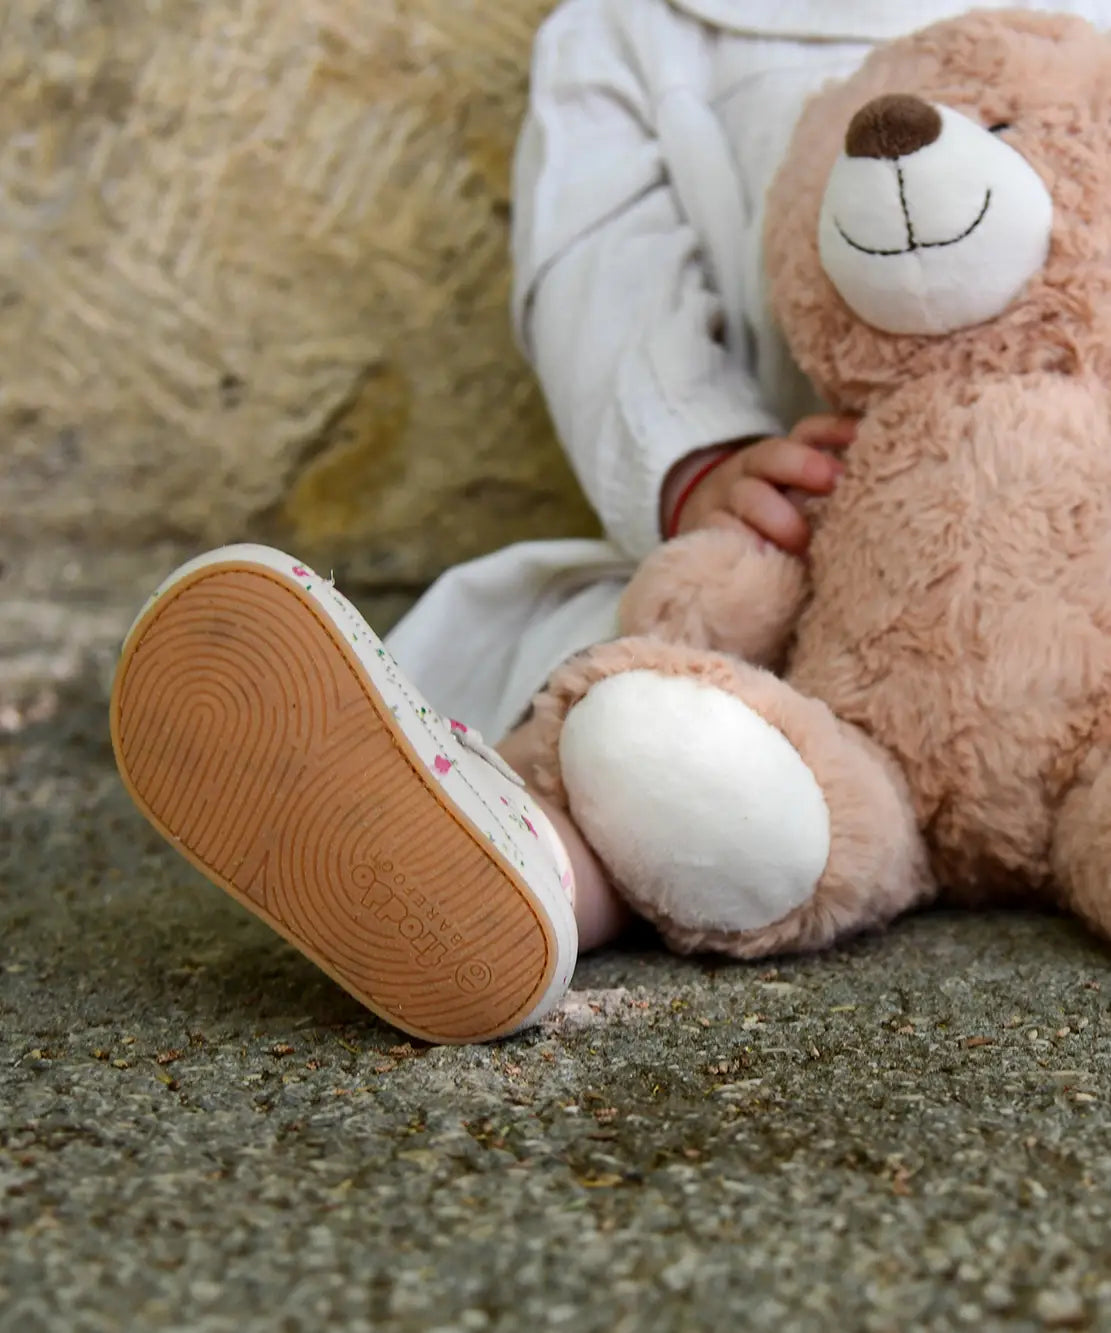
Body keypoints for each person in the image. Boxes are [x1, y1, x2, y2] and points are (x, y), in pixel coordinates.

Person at [109, 0, 1103, 1046]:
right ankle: (510, 876)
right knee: (630, 713)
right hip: (792, 582)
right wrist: (697, 454)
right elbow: (596, 272)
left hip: (1079, 590)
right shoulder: (625, 33)